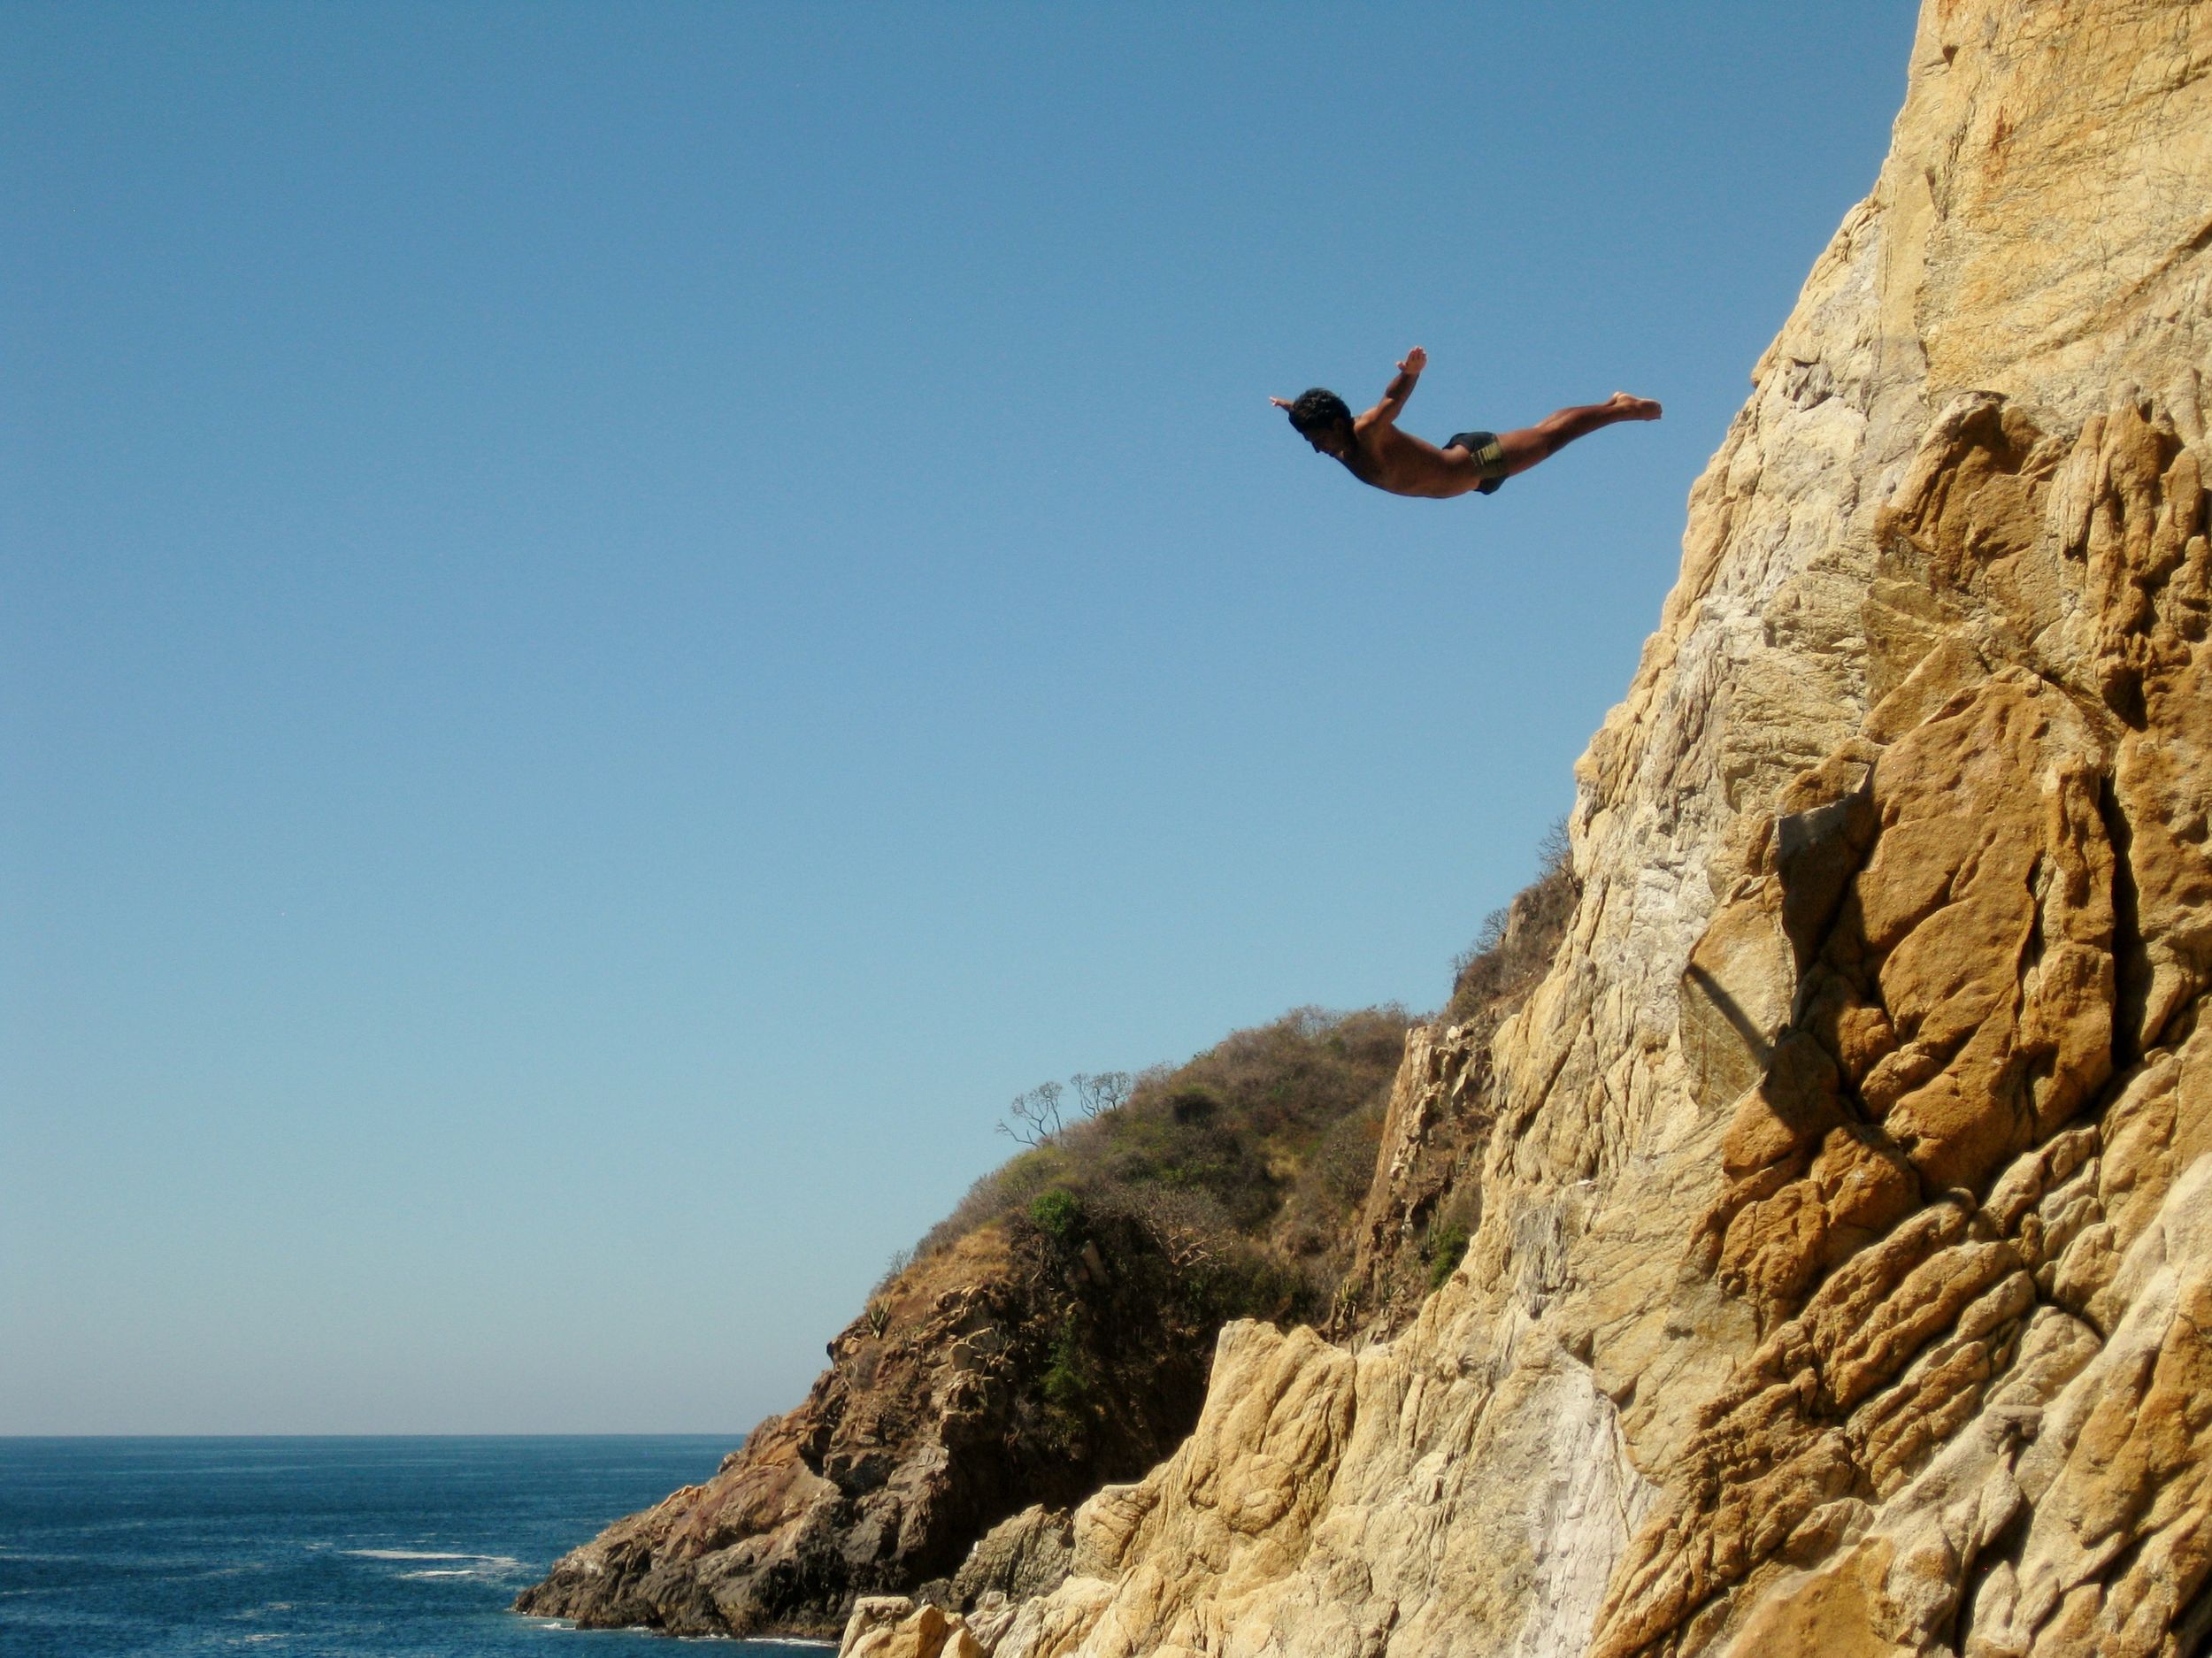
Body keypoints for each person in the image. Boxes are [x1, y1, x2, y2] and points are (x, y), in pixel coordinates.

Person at [1270, 347, 1660, 499]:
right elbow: (1314, 420)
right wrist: (1293, 408)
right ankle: (1613, 406)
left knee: (1552, 435)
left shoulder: (1366, 431)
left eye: (1317, 438)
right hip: (1465, 477)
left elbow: (1391, 401)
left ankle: (1620, 409)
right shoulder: (1336, 443)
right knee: (1545, 432)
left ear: (1338, 424)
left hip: (1476, 462)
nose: (1318, 449)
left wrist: (1412, 373)